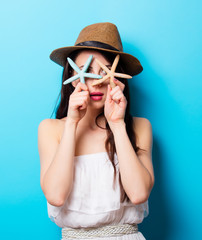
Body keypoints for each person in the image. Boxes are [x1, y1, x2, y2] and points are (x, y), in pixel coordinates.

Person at [38, 22, 154, 240]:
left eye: (105, 72)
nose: (97, 82)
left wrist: (117, 124)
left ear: (117, 76)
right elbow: (56, 196)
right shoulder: (51, 129)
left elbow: (139, 194)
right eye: (86, 71)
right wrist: (71, 123)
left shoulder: (140, 127)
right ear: (72, 75)